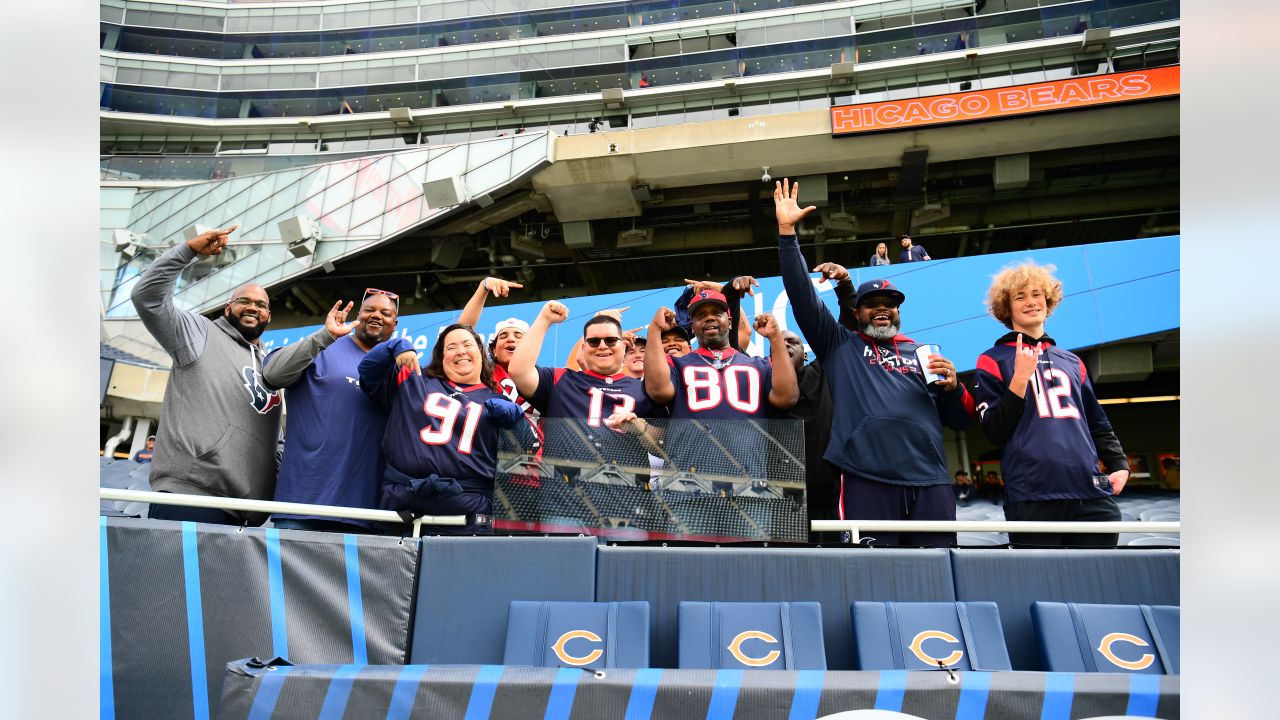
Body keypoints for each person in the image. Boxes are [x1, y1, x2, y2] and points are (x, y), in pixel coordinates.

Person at [775, 179, 974, 547]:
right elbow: (802, 297)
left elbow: (960, 419)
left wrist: (954, 388)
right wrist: (788, 234)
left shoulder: (922, 352)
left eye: (891, 303)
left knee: (938, 579)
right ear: (858, 311)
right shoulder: (840, 346)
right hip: (867, 478)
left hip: (930, 480)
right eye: (873, 303)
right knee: (873, 579)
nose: (883, 308)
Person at [130, 225, 283, 526]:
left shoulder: (271, 367)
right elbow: (146, 297)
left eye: (261, 304)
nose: (253, 306)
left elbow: (275, 440)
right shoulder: (199, 333)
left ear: (268, 316)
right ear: (228, 308)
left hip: (246, 514)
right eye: (244, 301)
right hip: (191, 497)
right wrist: (187, 252)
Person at [973, 261, 1130, 547]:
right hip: (1033, 495)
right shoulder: (992, 360)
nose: (1031, 302)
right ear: (1007, 308)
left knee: (1101, 584)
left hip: (1090, 493)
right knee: (1046, 587)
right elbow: (994, 431)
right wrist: (1019, 379)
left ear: (1048, 299)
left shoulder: (1072, 361)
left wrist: (1119, 464)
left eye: (1036, 294)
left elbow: (1097, 422)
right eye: (1020, 296)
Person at [358, 324, 523, 535]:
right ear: (441, 356)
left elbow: (523, 454)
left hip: (467, 511)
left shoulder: (498, 400)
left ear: (481, 354)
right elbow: (368, 372)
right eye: (451, 347)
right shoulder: (414, 380)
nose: (461, 351)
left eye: (467, 344)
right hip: (404, 503)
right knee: (392, 568)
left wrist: (518, 424)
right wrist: (393, 347)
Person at [261, 288, 399, 533]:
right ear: (359, 315)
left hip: (364, 512)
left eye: (385, 313)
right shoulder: (324, 346)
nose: (377, 315)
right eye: (370, 310)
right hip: (302, 505)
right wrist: (325, 336)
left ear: (395, 324)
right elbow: (272, 375)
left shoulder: (396, 369)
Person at [644, 290, 798, 487]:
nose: (709, 317)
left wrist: (775, 337)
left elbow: (787, 397)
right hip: (687, 487)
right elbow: (658, 391)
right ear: (693, 326)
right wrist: (655, 330)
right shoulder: (677, 364)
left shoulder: (759, 365)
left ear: (730, 322)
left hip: (749, 487)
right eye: (700, 315)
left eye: (717, 313)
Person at [507, 302, 665, 483]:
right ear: (583, 348)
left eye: (611, 340)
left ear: (623, 346)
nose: (602, 346)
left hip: (631, 504)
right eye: (594, 341)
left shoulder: (644, 389)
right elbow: (519, 371)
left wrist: (639, 428)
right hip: (564, 504)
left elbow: (663, 448)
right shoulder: (560, 380)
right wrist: (544, 320)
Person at [779, 330, 841, 542]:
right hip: (783, 504)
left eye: (793, 342)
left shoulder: (823, 374)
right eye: (779, 342)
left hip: (825, 500)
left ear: (805, 355)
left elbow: (838, 331)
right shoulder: (763, 382)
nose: (786, 345)